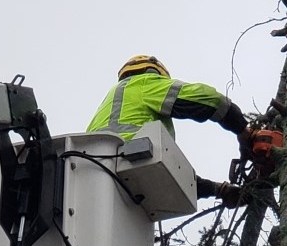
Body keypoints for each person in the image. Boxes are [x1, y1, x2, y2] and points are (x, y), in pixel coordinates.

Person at [86, 55, 250, 206]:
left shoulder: (108, 107)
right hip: (132, 157)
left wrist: (217, 190)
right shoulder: (143, 83)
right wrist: (243, 130)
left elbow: (172, 174)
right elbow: (209, 100)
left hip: (92, 175)